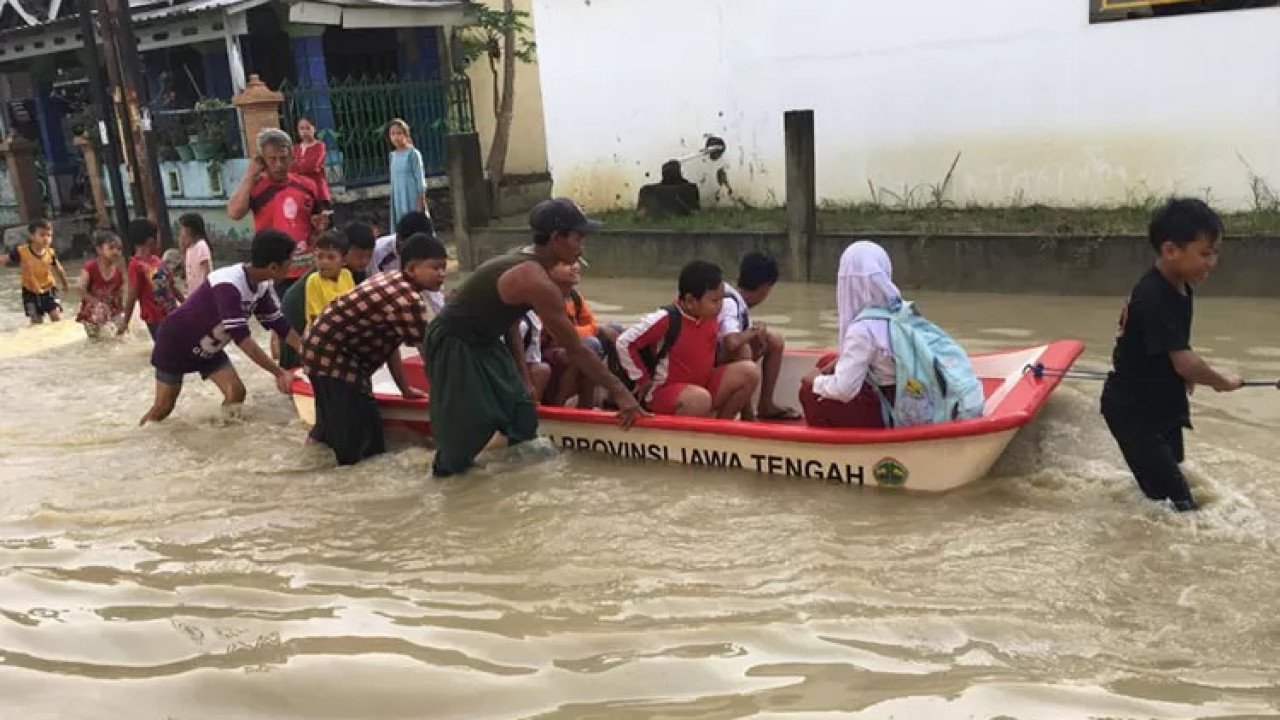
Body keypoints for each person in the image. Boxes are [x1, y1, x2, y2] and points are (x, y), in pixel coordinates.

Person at [423, 197, 646, 477]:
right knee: (464, 437)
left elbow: (510, 320)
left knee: (521, 414)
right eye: (578, 238)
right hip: (454, 343)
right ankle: (448, 485)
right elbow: (575, 349)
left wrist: (523, 376)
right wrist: (622, 393)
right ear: (556, 239)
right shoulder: (536, 280)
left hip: (487, 341)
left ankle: (517, 484)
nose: (582, 246)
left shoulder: (533, 262)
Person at [1102, 198, 1244, 512]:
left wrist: (1184, 378)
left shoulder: (1180, 286)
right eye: (1205, 254)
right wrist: (1221, 381)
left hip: (1162, 402)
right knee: (1179, 509)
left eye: (1215, 253)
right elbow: (1185, 360)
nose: (1212, 262)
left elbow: (1171, 351)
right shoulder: (1154, 295)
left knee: (1168, 487)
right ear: (1170, 251)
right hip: (1134, 411)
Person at [301, 233, 444, 465]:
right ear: (411, 268)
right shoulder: (408, 299)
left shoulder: (393, 280)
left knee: (331, 430)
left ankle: (311, 461)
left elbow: (390, 344)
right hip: (335, 361)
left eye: (444, 268)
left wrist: (405, 388)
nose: (442, 274)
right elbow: (431, 355)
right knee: (360, 447)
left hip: (320, 352)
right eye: (435, 268)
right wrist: (445, 396)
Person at [141, 229, 303, 425]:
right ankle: (141, 437)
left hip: (209, 349)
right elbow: (243, 340)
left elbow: (280, 325)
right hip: (176, 342)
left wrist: (309, 354)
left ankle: (216, 441)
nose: (292, 266)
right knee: (163, 408)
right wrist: (278, 373)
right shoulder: (228, 283)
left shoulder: (262, 286)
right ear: (274, 267)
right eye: (290, 262)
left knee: (236, 394)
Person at [616, 260, 761, 418]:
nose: (720, 306)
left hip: (702, 387)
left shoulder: (710, 315)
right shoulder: (666, 318)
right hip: (665, 392)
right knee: (699, 399)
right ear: (691, 301)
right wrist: (641, 379)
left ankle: (720, 430)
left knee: (750, 371)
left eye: (721, 299)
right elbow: (625, 342)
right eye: (714, 301)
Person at [799, 241, 900, 428]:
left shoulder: (863, 329)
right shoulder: (901, 311)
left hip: (887, 411)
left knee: (808, 390)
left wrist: (814, 381)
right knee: (827, 361)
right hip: (906, 399)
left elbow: (845, 390)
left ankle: (827, 447)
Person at [226, 128, 323, 296]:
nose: (278, 164)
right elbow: (235, 213)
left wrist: (321, 227)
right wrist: (249, 175)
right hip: (272, 272)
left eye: (283, 158)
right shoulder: (255, 187)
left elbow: (317, 223)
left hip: (306, 269)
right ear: (262, 160)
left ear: (292, 157)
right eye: (272, 159)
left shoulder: (308, 186)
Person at [717, 252, 797, 421]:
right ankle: (745, 416)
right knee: (744, 350)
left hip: (722, 358)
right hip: (714, 363)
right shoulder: (730, 304)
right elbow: (731, 344)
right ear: (766, 287)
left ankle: (765, 405)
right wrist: (753, 332)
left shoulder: (737, 304)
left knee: (773, 341)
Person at [279, 227, 370, 370]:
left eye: (331, 257)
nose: (324, 262)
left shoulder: (346, 275)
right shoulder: (313, 281)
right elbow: (320, 318)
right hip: (321, 340)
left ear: (344, 260)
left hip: (342, 335)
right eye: (319, 256)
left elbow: (353, 306)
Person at [544, 260, 619, 408]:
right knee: (590, 344)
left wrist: (598, 330)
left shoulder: (574, 296)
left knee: (616, 330)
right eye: (565, 264)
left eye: (575, 263)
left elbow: (590, 322)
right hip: (549, 350)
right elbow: (559, 332)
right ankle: (561, 405)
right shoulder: (544, 296)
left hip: (573, 343)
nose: (574, 267)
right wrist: (596, 330)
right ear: (549, 271)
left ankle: (612, 400)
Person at [120, 218, 183, 340]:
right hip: (155, 319)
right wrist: (125, 322)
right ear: (150, 240)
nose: (160, 239)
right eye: (158, 236)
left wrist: (186, 305)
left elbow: (172, 286)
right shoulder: (135, 265)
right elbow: (132, 295)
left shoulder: (158, 261)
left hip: (172, 313)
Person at [1, 218, 69, 323]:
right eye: (42, 235)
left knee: (56, 316)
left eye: (49, 235)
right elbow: (4, 259)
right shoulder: (22, 251)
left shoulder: (50, 252)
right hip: (30, 292)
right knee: (37, 321)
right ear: (32, 236)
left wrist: (65, 284)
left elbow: (59, 269)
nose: (46, 238)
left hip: (49, 289)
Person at [75, 230, 126, 338]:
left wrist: (122, 314)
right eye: (111, 248)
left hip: (111, 310)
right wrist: (96, 303)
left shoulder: (118, 272)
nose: (116, 251)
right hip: (91, 312)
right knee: (95, 341)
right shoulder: (90, 267)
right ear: (99, 250)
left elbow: (119, 295)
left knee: (121, 335)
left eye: (119, 249)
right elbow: (79, 288)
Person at [387, 118, 428, 230]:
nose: (396, 137)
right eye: (392, 134)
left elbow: (420, 178)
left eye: (399, 133)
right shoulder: (392, 156)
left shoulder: (413, 154)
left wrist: (420, 202)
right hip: (398, 198)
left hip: (411, 196)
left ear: (405, 134)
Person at [290, 116, 333, 212]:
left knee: (322, 223)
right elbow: (289, 169)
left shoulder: (320, 146)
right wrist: (300, 165)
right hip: (300, 192)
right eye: (301, 128)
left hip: (318, 193)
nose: (305, 131)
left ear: (314, 128)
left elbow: (312, 165)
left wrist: (297, 165)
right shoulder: (295, 149)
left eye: (308, 128)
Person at [177, 212, 212, 292]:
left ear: (190, 229)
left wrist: (205, 289)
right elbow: (188, 268)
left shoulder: (201, 246)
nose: (181, 232)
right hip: (193, 291)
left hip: (202, 291)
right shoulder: (189, 249)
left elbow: (207, 270)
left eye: (182, 228)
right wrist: (182, 249)